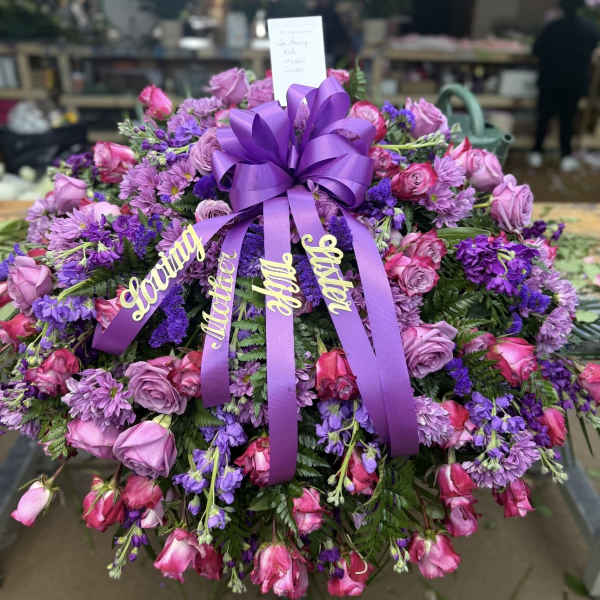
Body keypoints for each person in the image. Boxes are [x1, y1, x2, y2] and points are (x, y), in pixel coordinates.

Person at [529, 0, 600, 172]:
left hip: (550, 79)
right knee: (568, 119)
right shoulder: (590, 29)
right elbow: (594, 48)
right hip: (574, 82)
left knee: (544, 117)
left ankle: (536, 152)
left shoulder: (552, 27)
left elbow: (536, 50)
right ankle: (565, 156)